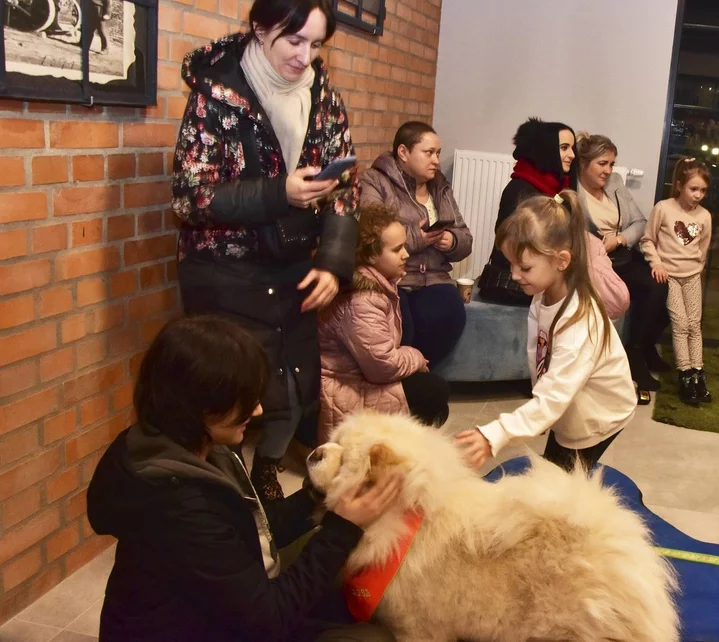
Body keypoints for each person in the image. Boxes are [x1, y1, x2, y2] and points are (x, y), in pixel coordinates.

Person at [86, 316, 400, 642]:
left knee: (338, 583)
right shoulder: (180, 506)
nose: (259, 410)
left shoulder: (190, 447)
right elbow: (267, 620)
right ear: (201, 406)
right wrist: (342, 529)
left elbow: (248, 528)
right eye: (245, 401)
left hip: (218, 614)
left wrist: (317, 496)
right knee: (372, 639)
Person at [171, 0, 359, 500]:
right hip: (224, 269)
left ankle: (267, 469)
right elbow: (189, 197)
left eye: (315, 44)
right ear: (260, 28)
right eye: (293, 41)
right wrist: (280, 193)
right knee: (230, 394)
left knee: (295, 388)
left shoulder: (323, 96)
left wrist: (332, 263)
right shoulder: (216, 93)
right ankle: (227, 492)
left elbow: (346, 188)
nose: (305, 56)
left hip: (292, 261)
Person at [456, 191, 636, 473]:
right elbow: (538, 352)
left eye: (525, 267)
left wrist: (498, 432)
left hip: (599, 415)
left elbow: (555, 395)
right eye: (511, 264)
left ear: (561, 260)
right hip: (572, 405)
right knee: (553, 468)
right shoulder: (542, 295)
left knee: (562, 483)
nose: (514, 275)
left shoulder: (580, 323)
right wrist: (539, 407)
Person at [318, 204, 450, 443]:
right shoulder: (363, 299)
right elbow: (382, 367)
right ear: (370, 255)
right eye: (397, 249)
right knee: (433, 392)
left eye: (405, 246)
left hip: (359, 376)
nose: (406, 254)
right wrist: (416, 357)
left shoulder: (378, 283)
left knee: (434, 393)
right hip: (342, 388)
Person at [479, 119, 629, 320]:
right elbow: (517, 248)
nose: (572, 155)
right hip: (519, 277)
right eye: (564, 148)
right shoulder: (520, 189)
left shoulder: (557, 185)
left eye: (572, 148)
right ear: (546, 149)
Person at [359, 122, 472, 366]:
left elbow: (465, 237)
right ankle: (405, 375)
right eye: (428, 153)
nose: (436, 161)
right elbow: (371, 236)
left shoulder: (440, 186)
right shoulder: (375, 181)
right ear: (403, 152)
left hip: (435, 277)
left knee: (451, 313)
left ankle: (421, 372)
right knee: (404, 325)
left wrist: (451, 241)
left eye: (438, 153)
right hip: (394, 277)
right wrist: (416, 238)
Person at [577, 132, 670, 391]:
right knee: (648, 292)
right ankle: (636, 358)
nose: (608, 171)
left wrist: (618, 239)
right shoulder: (572, 191)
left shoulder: (615, 183)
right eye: (602, 164)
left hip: (621, 255)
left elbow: (639, 222)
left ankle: (642, 348)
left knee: (661, 288)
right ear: (584, 163)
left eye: (611, 164)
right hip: (596, 263)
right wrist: (600, 245)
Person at [641, 158, 712, 406]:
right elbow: (647, 240)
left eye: (703, 190)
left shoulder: (705, 216)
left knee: (694, 324)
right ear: (680, 185)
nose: (698, 195)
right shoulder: (663, 208)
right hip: (669, 277)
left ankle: (698, 373)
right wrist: (657, 264)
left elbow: (703, 247)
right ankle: (685, 374)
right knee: (680, 324)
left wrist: (698, 267)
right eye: (693, 189)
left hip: (692, 277)